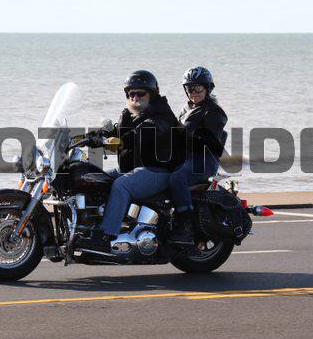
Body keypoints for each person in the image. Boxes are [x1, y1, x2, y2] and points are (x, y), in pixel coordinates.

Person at [77, 70, 180, 252]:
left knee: (121, 185)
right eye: (131, 94)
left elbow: (143, 133)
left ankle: (106, 235)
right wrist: (87, 137)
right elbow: (116, 132)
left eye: (140, 93)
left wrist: (121, 141)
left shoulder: (161, 114)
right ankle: (87, 227)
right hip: (132, 168)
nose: (135, 98)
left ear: (152, 94)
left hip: (158, 170)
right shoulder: (130, 114)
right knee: (91, 177)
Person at [168, 66, 232, 244]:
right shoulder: (186, 108)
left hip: (203, 161)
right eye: (189, 88)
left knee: (177, 178)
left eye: (198, 88)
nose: (193, 92)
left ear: (208, 88)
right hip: (184, 158)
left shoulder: (214, 112)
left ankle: (186, 225)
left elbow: (210, 141)